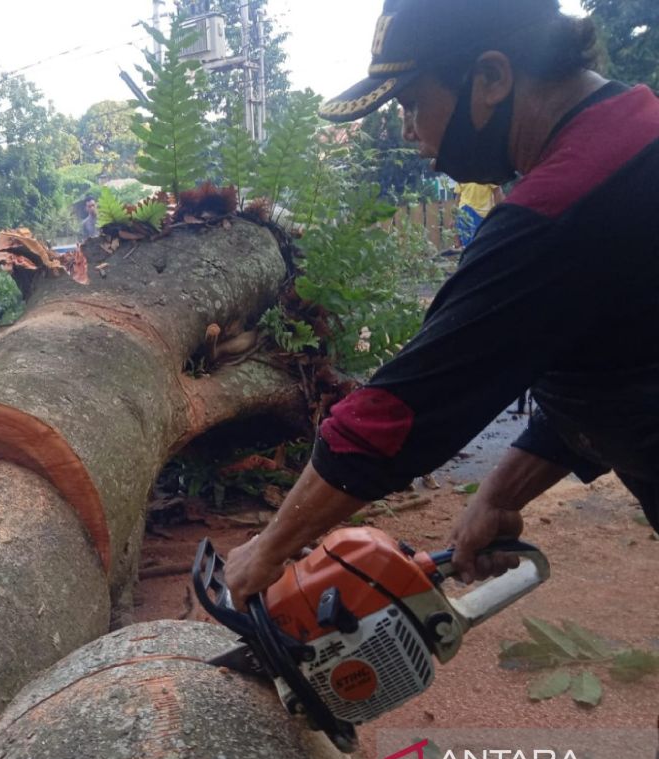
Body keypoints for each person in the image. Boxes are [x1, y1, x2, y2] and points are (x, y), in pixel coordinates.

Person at [227, 0, 659, 604]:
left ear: (492, 77)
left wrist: (266, 552)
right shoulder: (629, 144)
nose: (408, 132)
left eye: (411, 104)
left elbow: (403, 411)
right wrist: (497, 496)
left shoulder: (560, 210)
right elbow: (609, 365)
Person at [454, 182, 504, 247]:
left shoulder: (489, 173)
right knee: (465, 244)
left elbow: (497, 192)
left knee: (480, 244)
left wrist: (498, 213)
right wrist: (454, 217)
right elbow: (458, 197)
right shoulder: (462, 174)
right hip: (464, 210)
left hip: (482, 214)